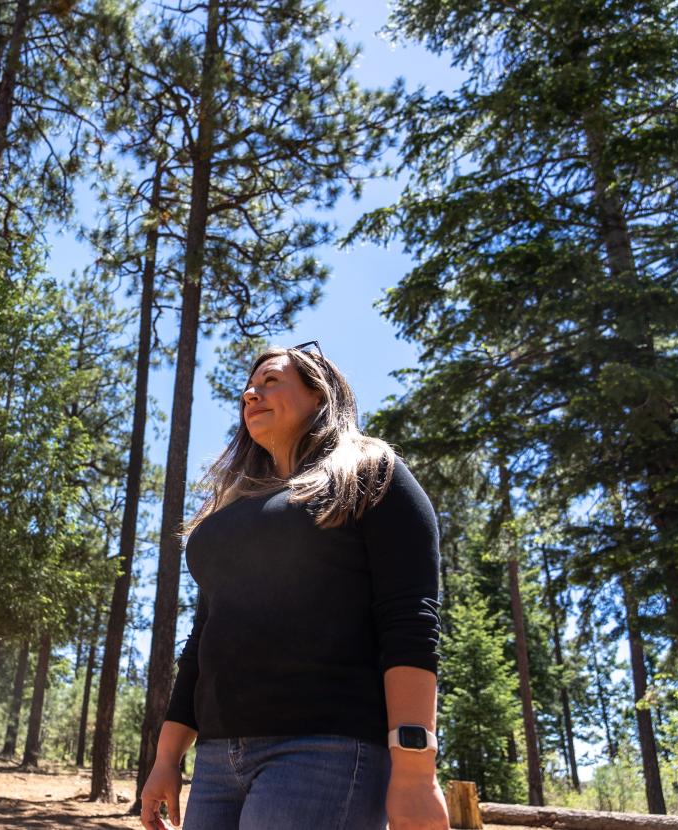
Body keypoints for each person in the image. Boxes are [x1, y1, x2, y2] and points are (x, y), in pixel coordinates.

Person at [139, 342, 449, 830]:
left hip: (324, 749)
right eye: (248, 388)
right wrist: (167, 758)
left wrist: (414, 769)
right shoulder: (232, 506)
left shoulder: (369, 472)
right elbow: (202, 640)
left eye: (271, 382)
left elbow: (409, 618)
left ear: (318, 393)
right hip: (218, 760)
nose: (250, 393)